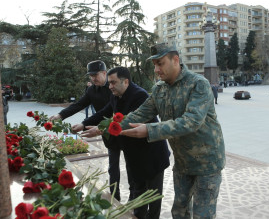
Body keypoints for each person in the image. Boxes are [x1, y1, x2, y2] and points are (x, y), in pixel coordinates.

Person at [119, 43, 226, 219]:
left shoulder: (198, 84)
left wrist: (149, 130)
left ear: (175, 60)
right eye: (154, 65)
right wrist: (106, 128)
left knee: (202, 215)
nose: (156, 69)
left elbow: (191, 122)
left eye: (160, 63)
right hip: (183, 163)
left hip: (207, 164)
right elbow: (139, 114)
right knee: (179, 212)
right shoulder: (159, 89)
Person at [80, 67, 170, 219]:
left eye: (113, 83)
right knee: (137, 194)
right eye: (109, 83)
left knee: (153, 198)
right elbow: (105, 112)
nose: (110, 87)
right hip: (133, 155)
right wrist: (84, 124)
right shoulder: (116, 95)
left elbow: (130, 121)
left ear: (126, 81)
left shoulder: (139, 95)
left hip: (151, 156)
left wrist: (103, 129)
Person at [49, 60, 123, 201]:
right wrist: (60, 115)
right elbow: (79, 105)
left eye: (95, 75)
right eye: (90, 76)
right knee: (113, 166)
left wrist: (84, 124)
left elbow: (104, 111)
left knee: (132, 167)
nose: (93, 78)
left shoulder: (114, 87)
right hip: (106, 131)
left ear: (104, 73)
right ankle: (115, 198)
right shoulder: (91, 90)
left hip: (123, 128)